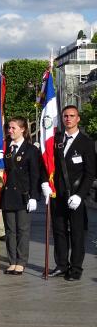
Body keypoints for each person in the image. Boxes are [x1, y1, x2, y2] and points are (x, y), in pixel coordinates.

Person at [42, 105, 96, 281]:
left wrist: (80, 195)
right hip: (58, 194)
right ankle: (61, 265)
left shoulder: (86, 142)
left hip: (76, 196)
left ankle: (76, 268)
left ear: (78, 118)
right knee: (59, 231)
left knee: (77, 233)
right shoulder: (56, 139)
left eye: (72, 116)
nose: (68, 119)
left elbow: (90, 173)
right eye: (65, 116)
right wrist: (46, 183)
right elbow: (49, 164)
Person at [0, 116, 39, 275]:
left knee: (22, 230)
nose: (10, 131)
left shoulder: (31, 150)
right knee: (10, 231)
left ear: (23, 129)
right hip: (8, 195)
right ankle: (12, 261)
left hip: (23, 195)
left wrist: (34, 196)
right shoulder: (5, 149)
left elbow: (35, 174)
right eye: (9, 128)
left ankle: (21, 262)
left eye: (13, 128)